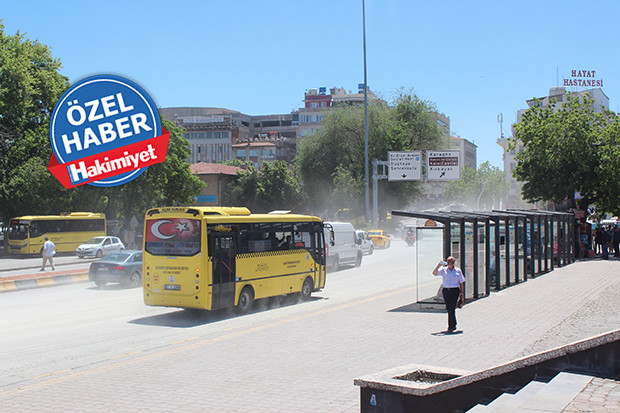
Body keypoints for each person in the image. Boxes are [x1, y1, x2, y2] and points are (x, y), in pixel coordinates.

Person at [432, 256, 465, 333]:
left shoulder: (458, 271)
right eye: (448, 261)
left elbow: (461, 282)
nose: (449, 263)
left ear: (453, 263)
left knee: (451, 308)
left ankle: (451, 326)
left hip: (454, 291)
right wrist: (439, 265)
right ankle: (453, 324)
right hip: (446, 291)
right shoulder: (443, 270)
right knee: (449, 308)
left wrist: (462, 294)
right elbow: (434, 273)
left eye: (450, 262)